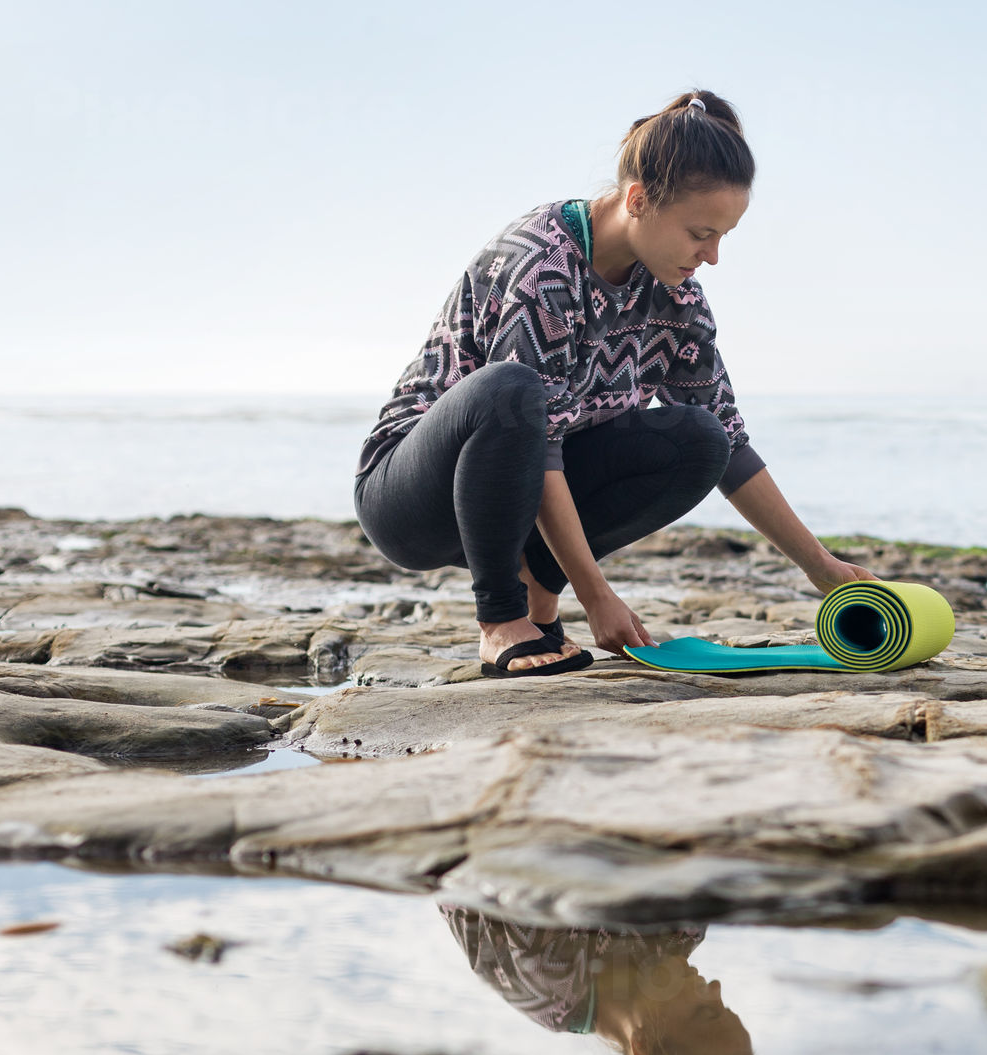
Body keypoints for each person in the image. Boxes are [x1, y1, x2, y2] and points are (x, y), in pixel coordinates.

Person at [354, 89, 876, 678]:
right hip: (416, 496)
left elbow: (730, 444)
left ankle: (536, 600)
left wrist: (823, 569)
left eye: (724, 236)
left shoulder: (676, 297)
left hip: (525, 493)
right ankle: (500, 619)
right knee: (512, 389)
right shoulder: (545, 265)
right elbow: (536, 433)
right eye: (701, 233)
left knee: (700, 438)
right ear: (638, 199)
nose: (712, 256)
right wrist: (596, 594)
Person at [442, 906, 759, 1055]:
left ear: (643, 1044)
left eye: (706, 1013)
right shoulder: (684, 931)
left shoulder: (543, 971)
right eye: (725, 1007)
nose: (716, 987)